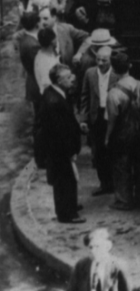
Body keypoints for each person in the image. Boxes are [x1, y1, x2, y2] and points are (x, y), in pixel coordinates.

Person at [37, 64, 85, 224]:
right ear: (58, 80)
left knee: (67, 180)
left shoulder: (54, 94)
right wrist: (70, 150)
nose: (72, 79)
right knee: (65, 180)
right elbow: (58, 132)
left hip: (59, 149)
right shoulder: (54, 102)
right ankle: (67, 214)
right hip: (60, 151)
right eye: (68, 77)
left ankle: (69, 206)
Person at [105, 54, 140, 211]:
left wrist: (107, 137)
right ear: (130, 66)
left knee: (121, 167)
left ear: (114, 69)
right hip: (139, 131)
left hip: (122, 134)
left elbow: (112, 119)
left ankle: (124, 200)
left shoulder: (113, 93)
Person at [80, 46, 118, 195]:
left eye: (104, 60)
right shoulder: (89, 73)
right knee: (99, 152)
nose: (100, 63)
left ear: (110, 60)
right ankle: (104, 184)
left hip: (112, 115)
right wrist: (83, 118)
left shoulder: (116, 74)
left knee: (114, 150)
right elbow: (84, 97)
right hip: (97, 117)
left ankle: (117, 183)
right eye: (98, 59)